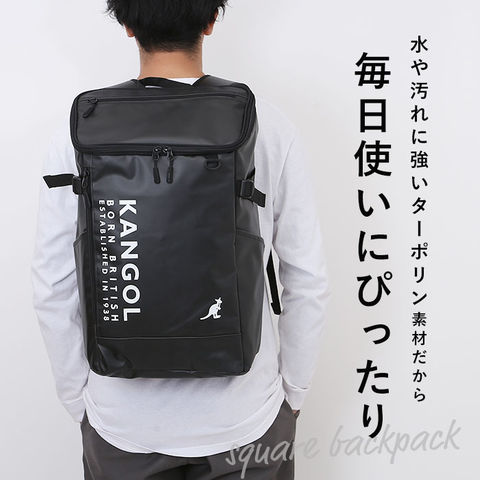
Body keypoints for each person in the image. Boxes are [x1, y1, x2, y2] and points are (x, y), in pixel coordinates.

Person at [30, 1, 331, 478]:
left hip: (123, 425)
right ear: (211, 20)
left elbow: (52, 285)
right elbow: (307, 277)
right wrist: (291, 395)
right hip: (246, 417)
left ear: (127, 25)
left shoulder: (80, 131)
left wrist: (80, 402)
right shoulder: (268, 125)